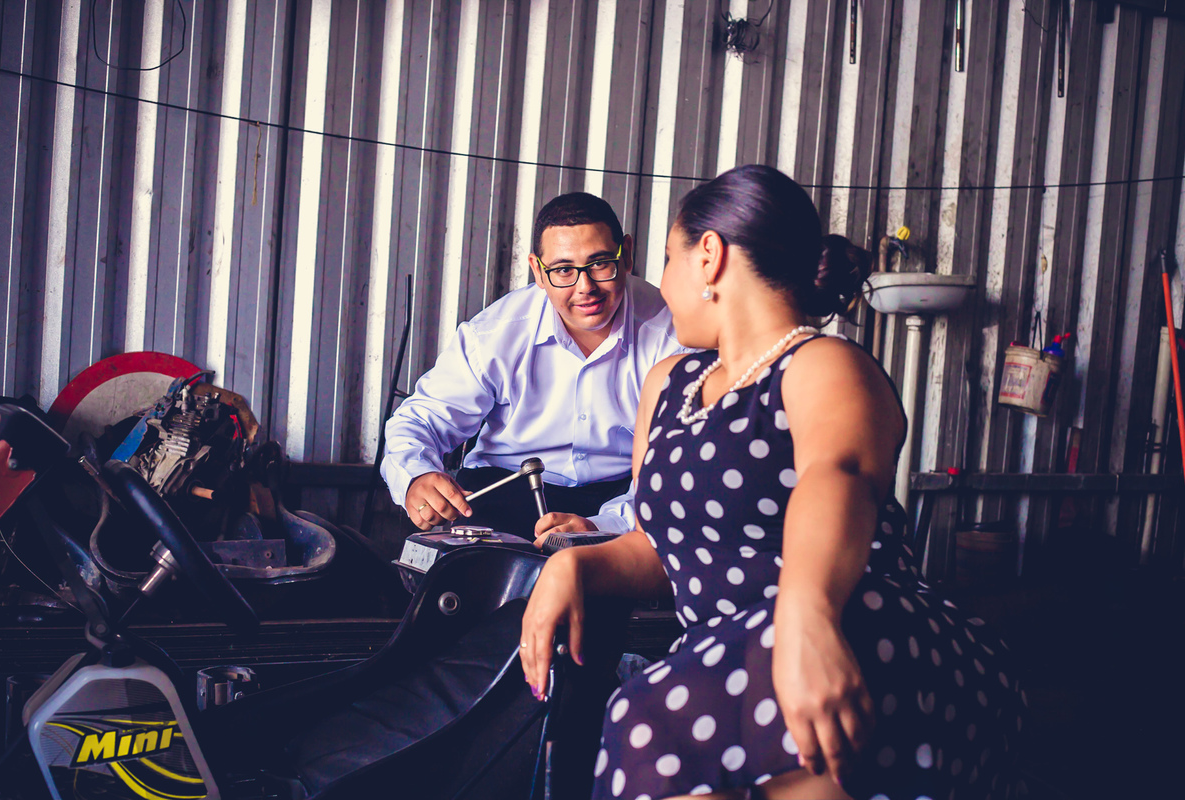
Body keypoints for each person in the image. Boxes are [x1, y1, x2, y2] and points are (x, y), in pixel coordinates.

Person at [519, 165, 1025, 800]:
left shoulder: (823, 364)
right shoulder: (669, 385)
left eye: (668, 260)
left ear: (709, 257)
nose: (663, 284)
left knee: (652, 719)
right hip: (723, 655)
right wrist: (577, 568)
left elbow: (835, 478)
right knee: (647, 718)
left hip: (851, 629)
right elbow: (663, 546)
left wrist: (807, 617)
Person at [383, 192, 690, 541]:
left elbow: (678, 469)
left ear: (628, 255)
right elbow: (419, 420)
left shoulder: (675, 335)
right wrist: (415, 476)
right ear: (538, 271)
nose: (585, 287)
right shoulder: (496, 334)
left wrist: (606, 525)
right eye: (563, 270)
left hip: (625, 501)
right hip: (504, 491)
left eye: (600, 263)